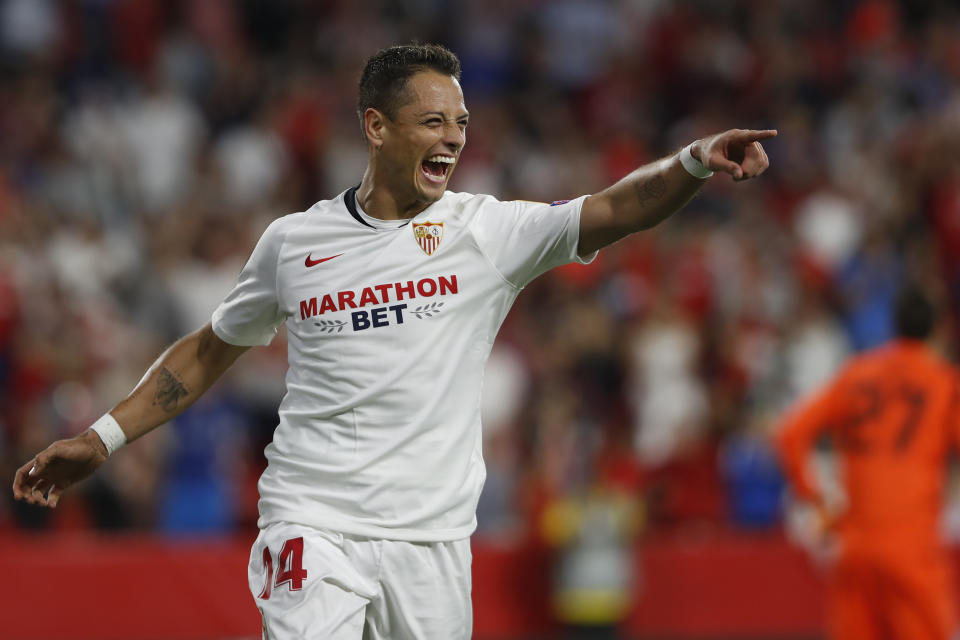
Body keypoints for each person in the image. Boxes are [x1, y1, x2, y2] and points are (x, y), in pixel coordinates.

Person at [12, 44, 774, 639]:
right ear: (377, 126)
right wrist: (104, 436)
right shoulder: (295, 243)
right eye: (434, 121)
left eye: (462, 123)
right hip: (314, 519)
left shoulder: (487, 232)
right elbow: (211, 348)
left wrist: (690, 162)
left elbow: (616, 209)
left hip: (431, 537)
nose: (454, 139)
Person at [776, 285, 959, 640]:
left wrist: (814, 497)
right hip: (913, 549)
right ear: (938, 329)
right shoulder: (943, 383)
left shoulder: (856, 374)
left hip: (855, 546)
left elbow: (791, 434)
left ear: (894, 325)